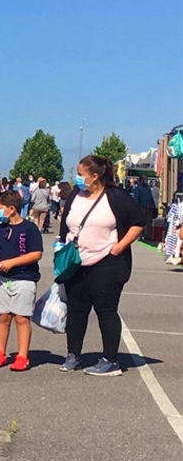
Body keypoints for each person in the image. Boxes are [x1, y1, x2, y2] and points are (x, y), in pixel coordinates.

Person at [58, 155, 146, 376]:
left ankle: (110, 360)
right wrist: (61, 248)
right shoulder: (74, 197)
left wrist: (120, 246)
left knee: (106, 310)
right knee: (76, 310)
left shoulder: (115, 197)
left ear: (95, 176)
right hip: (76, 263)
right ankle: (73, 354)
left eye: (81, 174)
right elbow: (65, 225)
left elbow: (138, 222)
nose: (77, 178)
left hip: (107, 263)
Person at [0, 190, 44, 371]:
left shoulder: (29, 229)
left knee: (21, 317)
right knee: (2, 316)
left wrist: (12, 263)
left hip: (24, 279)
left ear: (12, 209)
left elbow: (36, 254)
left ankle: (22, 356)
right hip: (2, 279)